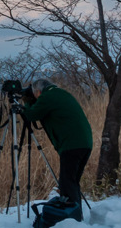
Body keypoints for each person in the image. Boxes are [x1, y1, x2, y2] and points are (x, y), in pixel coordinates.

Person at [22, 78, 94, 215]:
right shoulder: (61, 93)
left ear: (38, 91)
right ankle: (75, 213)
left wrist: (26, 102)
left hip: (71, 144)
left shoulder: (48, 97)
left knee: (67, 183)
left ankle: (73, 219)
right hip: (84, 142)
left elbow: (31, 115)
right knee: (72, 181)